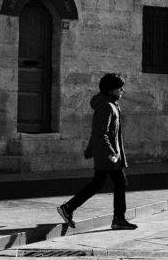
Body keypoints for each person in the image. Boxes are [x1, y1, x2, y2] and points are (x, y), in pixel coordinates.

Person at [56, 73, 136, 231]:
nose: (122, 90)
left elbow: (96, 132)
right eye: (120, 88)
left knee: (98, 184)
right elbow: (101, 132)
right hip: (108, 156)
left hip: (105, 153)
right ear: (111, 89)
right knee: (120, 182)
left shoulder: (109, 104)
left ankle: (68, 208)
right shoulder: (106, 106)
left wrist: (90, 149)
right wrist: (111, 153)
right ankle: (118, 219)